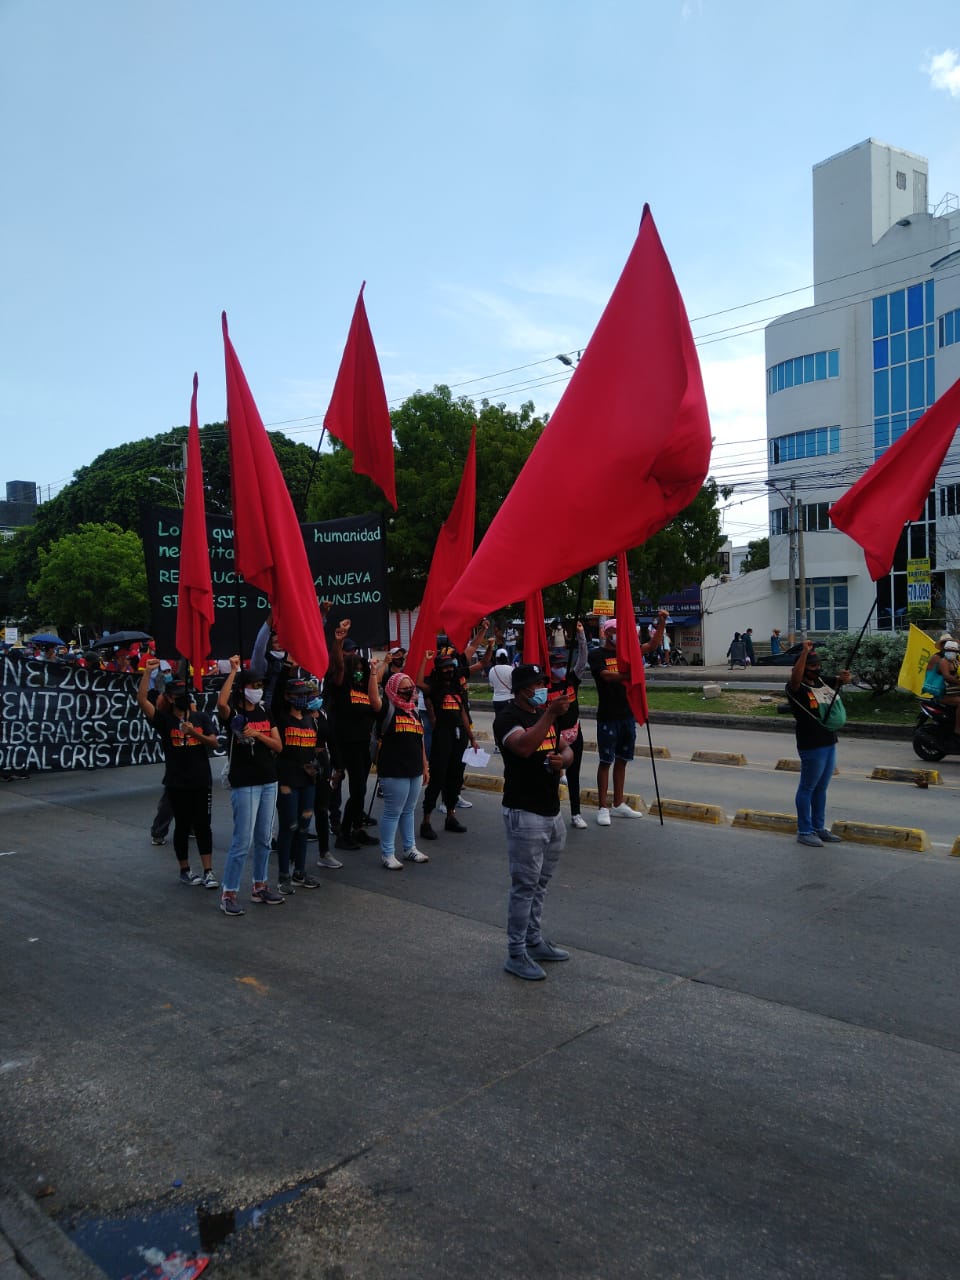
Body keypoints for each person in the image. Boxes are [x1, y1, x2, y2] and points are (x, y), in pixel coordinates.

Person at [494, 663, 575, 981]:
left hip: (552, 811)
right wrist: (551, 715)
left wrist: (562, 761)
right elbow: (524, 746)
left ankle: (534, 940)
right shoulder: (508, 718)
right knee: (524, 887)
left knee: (540, 884)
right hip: (524, 813)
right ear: (522, 690)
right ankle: (516, 953)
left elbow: (567, 751)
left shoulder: (543, 715)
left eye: (544, 682)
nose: (543, 688)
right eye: (538, 684)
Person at [137, 660, 220, 889]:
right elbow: (142, 700)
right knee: (182, 826)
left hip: (201, 781)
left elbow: (213, 743)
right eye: (179, 694)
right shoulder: (166, 721)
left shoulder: (200, 718)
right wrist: (147, 673)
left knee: (203, 826)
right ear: (171, 698)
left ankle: (208, 871)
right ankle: (185, 869)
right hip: (177, 783)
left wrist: (194, 733)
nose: (184, 697)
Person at [216, 659, 285, 915]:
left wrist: (258, 735)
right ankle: (229, 893)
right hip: (245, 783)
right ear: (243, 687)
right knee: (242, 841)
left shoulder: (265, 712)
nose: (257, 689)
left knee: (264, 839)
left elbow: (279, 745)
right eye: (253, 685)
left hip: (269, 780)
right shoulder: (234, 714)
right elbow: (221, 704)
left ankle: (260, 886)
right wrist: (233, 671)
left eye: (260, 685)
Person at [588, 611, 666, 826]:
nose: (617, 636)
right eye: (614, 632)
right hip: (608, 716)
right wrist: (631, 676)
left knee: (623, 760)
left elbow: (651, 646)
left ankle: (618, 803)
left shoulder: (628, 653)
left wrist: (662, 623)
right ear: (607, 632)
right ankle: (603, 807)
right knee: (606, 761)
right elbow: (606, 675)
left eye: (620, 633)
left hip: (627, 714)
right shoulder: (596, 654)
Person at [786, 640, 852, 848]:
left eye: (818, 665)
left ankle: (819, 827)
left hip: (829, 740)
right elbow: (795, 677)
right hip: (811, 744)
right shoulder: (796, 688)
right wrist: (804, 653)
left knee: (821, 788)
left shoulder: (821, 682)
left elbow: (841, 681)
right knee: (808, 787)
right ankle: (804, 831)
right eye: (811, 666)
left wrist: (845, 679)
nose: (817, 669)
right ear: (802, 667)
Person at [327, 621, 382, 851]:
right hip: (344, 743)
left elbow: (374, 701)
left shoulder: (360, 684)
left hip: (363, 742)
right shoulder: (339, 681)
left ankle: (357, 829)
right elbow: (339, 666)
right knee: (357, 788)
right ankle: (343, 833)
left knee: (361, 788)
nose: (354, 657)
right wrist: (338, 641)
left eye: (355, 652)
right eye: (349, 652)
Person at [418, 653, 477, 841]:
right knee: (438, 778)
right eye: (445, 668)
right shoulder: (434, 687)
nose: (449, 670)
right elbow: (419, 682)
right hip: (442, 737)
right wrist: (424, 660)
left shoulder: (457, 688)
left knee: (455, 777)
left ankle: (451, 816)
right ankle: (426, 821)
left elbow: (464, 715)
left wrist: (472, 738)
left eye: (450, 667)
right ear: (438, 670)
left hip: (459, 738)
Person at [376, 672, 430, 869]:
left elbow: (420, 740)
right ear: (393, 689)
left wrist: (425, 766)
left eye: (411, 687)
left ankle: (410, 849)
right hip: (393, 769)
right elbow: (373, 698)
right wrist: (374, 673)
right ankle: (387, 854)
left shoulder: (413, 711)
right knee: (393, 811)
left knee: (409, 810)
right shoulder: (387, 708)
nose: (409, 691)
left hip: (414, 768)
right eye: (404, 688)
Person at [274, 678, 322, 894]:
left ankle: (299, 872)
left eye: (305, 694)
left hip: (308, 780)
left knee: (304, 826)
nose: (302, 698)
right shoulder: (281, 719)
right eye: (297, 695)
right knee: (289, 826)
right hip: (287, 780)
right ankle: (283, 875)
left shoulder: (311, 720)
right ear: (287, 697)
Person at [546, 622, 589, 828]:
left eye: (562, 664)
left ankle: (576, 814)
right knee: (553, 776)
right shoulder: (545, 687)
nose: (560, 668)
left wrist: (581, 635)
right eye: (556, 665)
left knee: (574, 775)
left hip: (575, 735)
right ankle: (552, 812)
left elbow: (583, 659)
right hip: (555, 738)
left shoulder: (572, 679)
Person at [921, 636, 960, 734]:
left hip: (952, 691)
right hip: (943, 693)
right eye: (949, 649)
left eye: (954, 650)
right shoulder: (942, 660)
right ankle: (957, 728)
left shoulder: (955, 661)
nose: (952, 652)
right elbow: (947, 676)